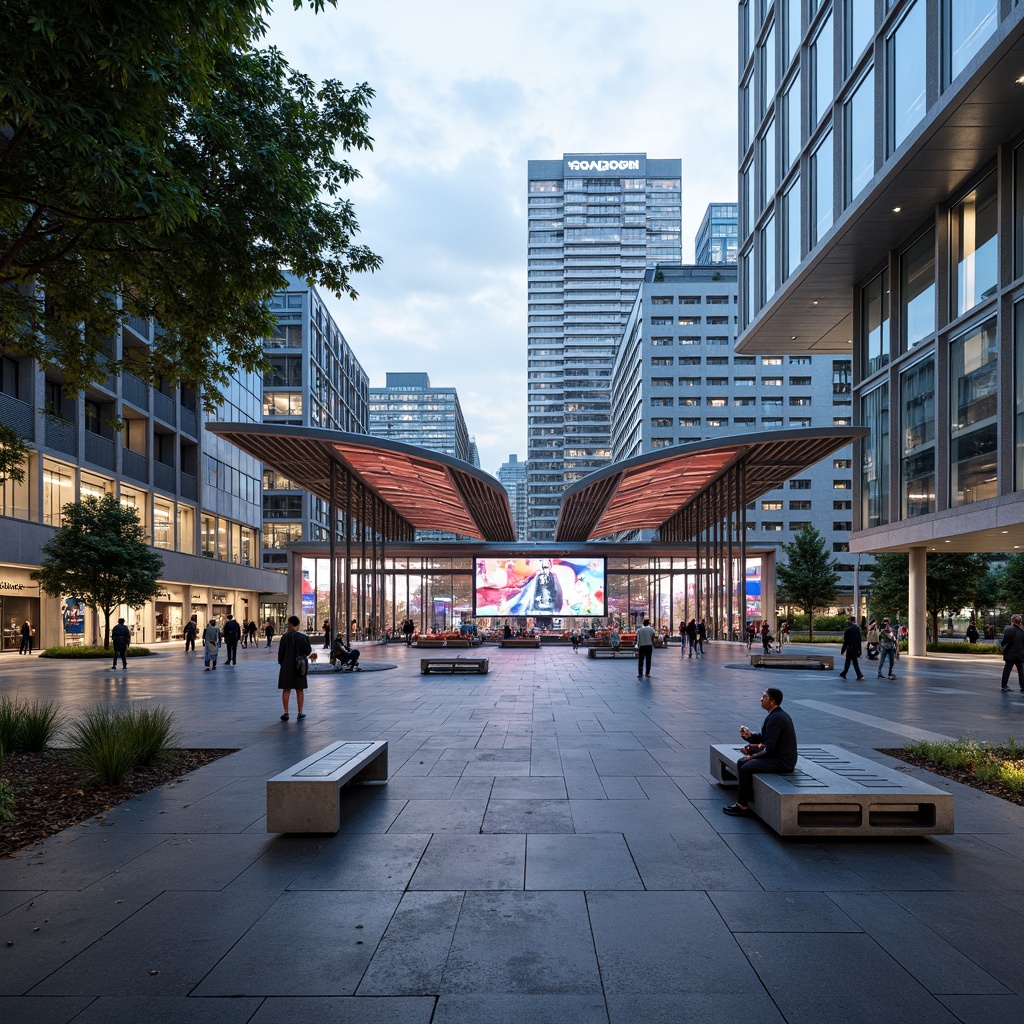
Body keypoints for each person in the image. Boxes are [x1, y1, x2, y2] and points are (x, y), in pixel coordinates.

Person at [723, 687, 798, 816]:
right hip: (778, 756)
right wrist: (749, 736)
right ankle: (746, 799)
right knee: (743, 763)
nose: (761, 699)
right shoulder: (776, 715)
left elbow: (769, 748)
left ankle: (742, 805)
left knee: (744, 765)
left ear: (772, 701)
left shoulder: (776, 718)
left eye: (764, 697)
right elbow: (766, 739)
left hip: (782, 761)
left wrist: (752, 757)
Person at [278, 614, 313, 720]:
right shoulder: (303, 637)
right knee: (299, 689)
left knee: (286, 689)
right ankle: (300, 712)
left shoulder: (285, 637)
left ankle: (286, 712)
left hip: (287, 666)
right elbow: (308, 651)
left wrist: (282, 662)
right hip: (299, 666)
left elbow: (281, 653)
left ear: (290, 624)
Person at [999, 613, 1024, 692]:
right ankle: (1023, 687)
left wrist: (1004, 651)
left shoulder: (1008, 629)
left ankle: (1004, 685)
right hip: (1020, 654)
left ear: (1012, 621)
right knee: (1021, 671)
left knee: (1007, 669)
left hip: (1010, 654)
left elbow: (1005, 642)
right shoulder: (1022, 631)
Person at [839, 615, 865, 680]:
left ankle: (845, 673)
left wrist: (843, 650)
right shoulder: (857, 629)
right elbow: (859, 641)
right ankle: (858, 674)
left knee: (849, 661)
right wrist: (859, 650)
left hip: (849, 648)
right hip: (855, 648)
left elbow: (846, 642)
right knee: (854, 662)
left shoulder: (848, 631)